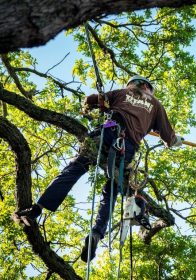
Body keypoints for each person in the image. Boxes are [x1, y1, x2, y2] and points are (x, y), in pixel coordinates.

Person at [13, 75, 183, 262]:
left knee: (75, 169)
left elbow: (92, 100)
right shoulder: (156, 106)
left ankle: (37, 209)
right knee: (111, 190)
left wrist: (89, 107)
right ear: (146, 86)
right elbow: (169, 137)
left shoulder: (123, 92)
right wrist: (176, 141)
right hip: (127, 148)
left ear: (135, 85)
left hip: (107, 133)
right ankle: (97, 232)